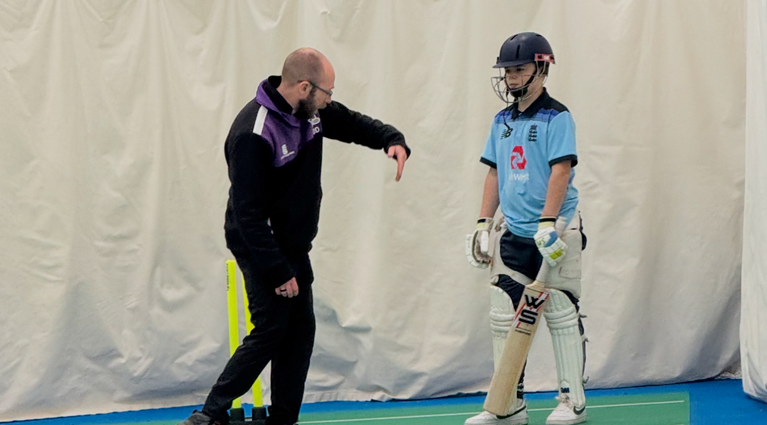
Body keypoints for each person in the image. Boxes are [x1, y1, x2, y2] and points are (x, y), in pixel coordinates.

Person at [179, 47, 410, 425]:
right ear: (305, 87)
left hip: (292, 245)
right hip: (259, 243)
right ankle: (209, 414)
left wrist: (391, 139)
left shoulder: (311, 112)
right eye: (327, 93)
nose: (330, 101)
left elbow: (350, 123)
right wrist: (278, 271)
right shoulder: (253, 132)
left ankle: (283, 419)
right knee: (272, 327)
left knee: (300, 331)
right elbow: (248, 215)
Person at [465, 33, 587, 425]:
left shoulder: (557, 116)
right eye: (508, 71)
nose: (511, 78)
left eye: (519, 70)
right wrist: (484, 222)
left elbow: (561, 171)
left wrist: (549, 223)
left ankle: (573, 400)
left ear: (542, 68)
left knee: (560, 311)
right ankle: (507, 405)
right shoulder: (501, 121)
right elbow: (494, 171)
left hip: (555, 230)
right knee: (504, 315)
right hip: (514, 232)